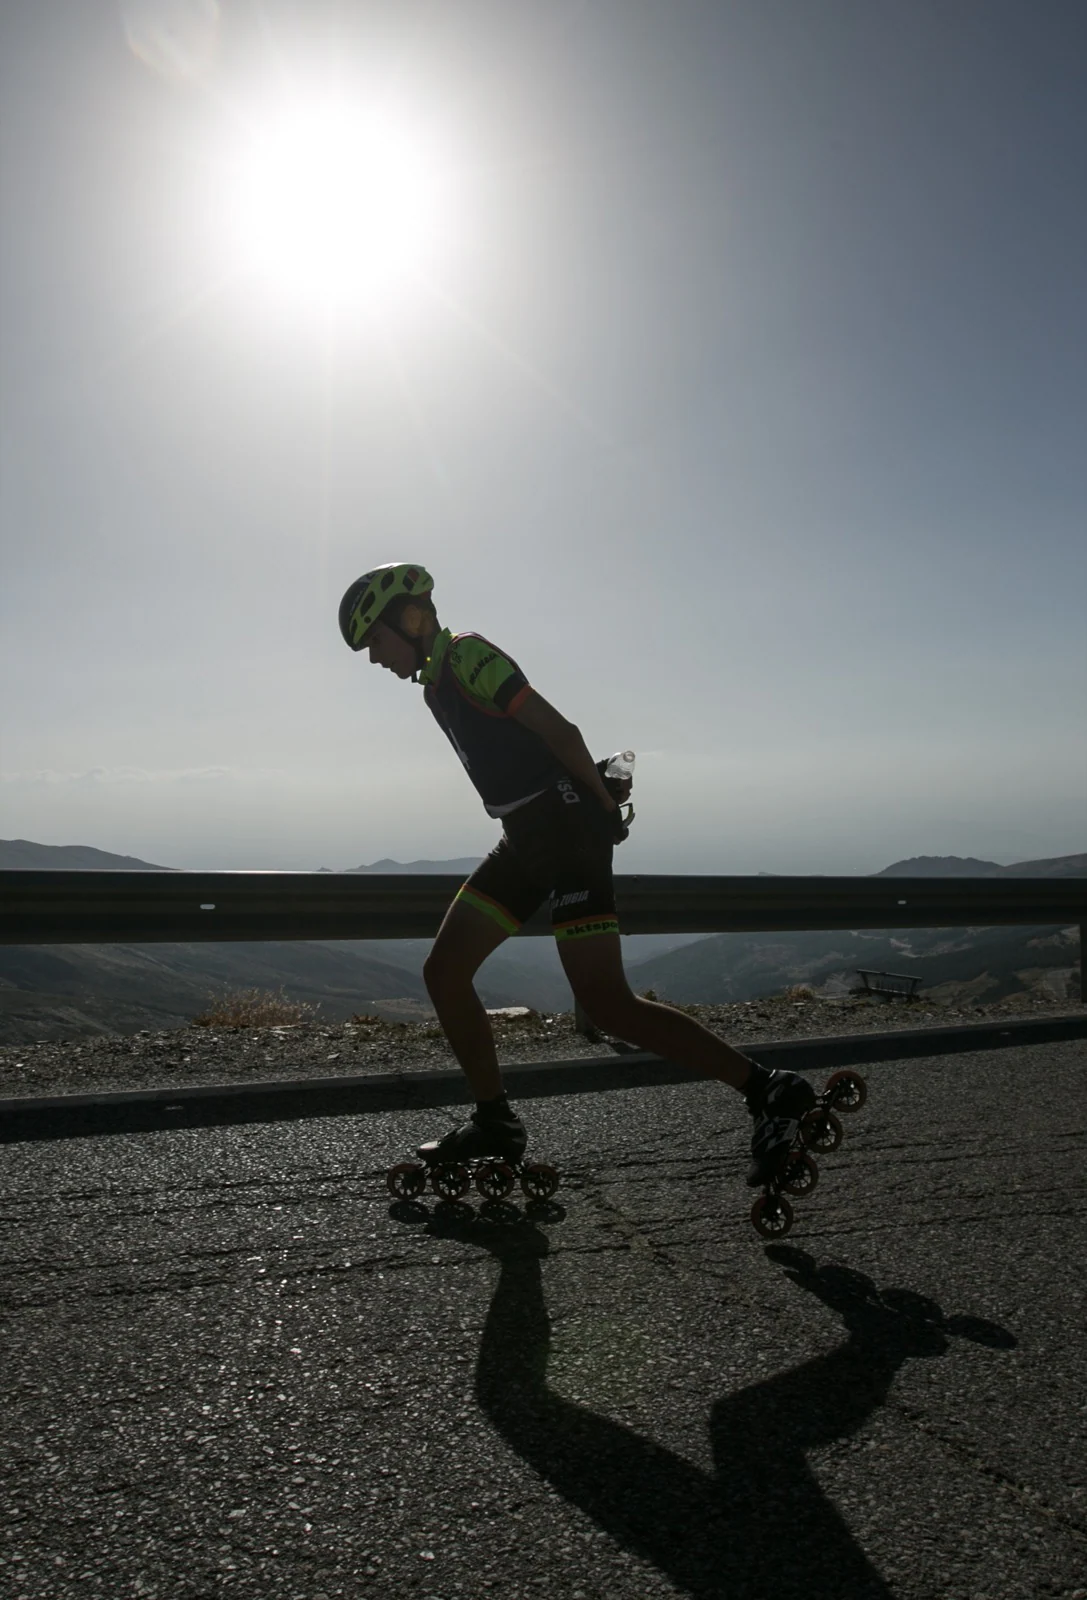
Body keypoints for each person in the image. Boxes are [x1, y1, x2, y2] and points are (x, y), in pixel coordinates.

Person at [338, 562, 815, 1188]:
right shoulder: (434, 687)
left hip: (567, 833)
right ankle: (495, 1122)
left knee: (606, 1004)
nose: (374, 658)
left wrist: (603, 808)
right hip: (523, 839)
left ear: (409, 619)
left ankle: (770, 1090)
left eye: (374, 640)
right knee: (444, 972)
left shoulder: (469, 657)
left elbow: (560, 731)